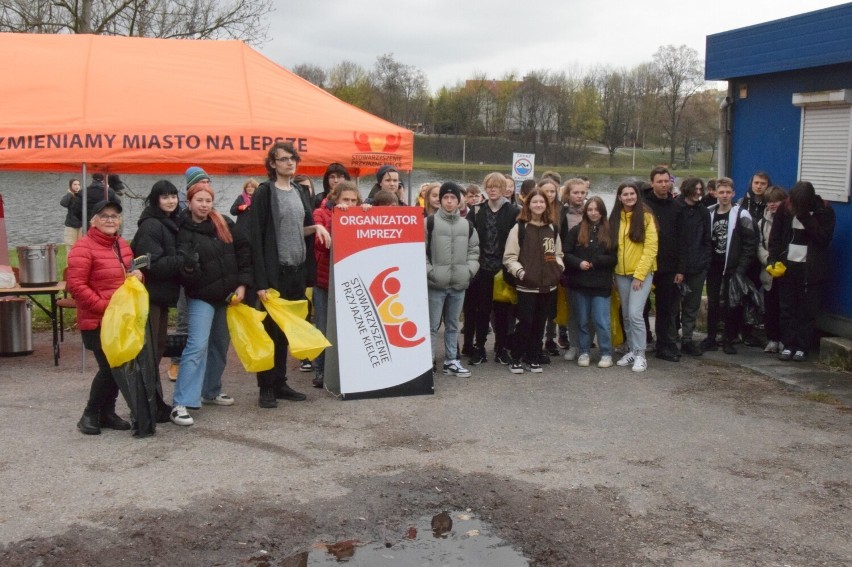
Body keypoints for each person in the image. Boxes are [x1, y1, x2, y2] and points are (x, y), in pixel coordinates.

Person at [248, 141, 331, 409]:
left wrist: (316, 227)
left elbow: (300, 228)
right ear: (273, 164)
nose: (289, 163)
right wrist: (260, 283)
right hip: (275, 274)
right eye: (283, 159)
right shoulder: (265, 193)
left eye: (292, 159)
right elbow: (256, 240)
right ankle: (266, 387)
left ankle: (280, 382)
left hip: (296, 271)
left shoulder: (297, 190)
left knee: (286, 331)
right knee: (270, 332)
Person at [170, 169, 252, 426]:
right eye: (199, 200)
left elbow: (243, 252)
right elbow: (182, 265)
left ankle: (211, 390)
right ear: (190, 201)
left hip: (227, 296)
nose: (204, 205)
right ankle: (181, 402)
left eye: (208, 201)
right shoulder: (182, 227)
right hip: (201, 297)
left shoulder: (224, 222)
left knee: (220, 344)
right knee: (197, 345)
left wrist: (242, 284)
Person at [67, 200, 140, 435]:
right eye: (104, 216)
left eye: (115, 216)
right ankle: (90, 413)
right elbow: (76, 285)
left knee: (117, 365)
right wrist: (102, 307)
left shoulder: (122, 244)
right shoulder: (83, 247)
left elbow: (128, 277)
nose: (110, 220)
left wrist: (138, 276)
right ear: (93, 221)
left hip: (120, 318)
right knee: (109, 367)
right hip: (97, 319)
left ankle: (107, 413)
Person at [131, 180, 184, 422]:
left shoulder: (170, 222)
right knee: (149, 351)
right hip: (149, 297)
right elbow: (149, 263)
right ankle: (144, 405)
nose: (171, 200)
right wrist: (181, 261)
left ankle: (154, 401)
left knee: (158, 346)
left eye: (173, 196)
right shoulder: (150, 226)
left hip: (161, 296)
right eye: (165, 197)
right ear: (155, 200)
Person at [768, 181, 835, 362]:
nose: (794, 208)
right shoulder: (785, 208)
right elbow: (775, 235)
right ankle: (788, 344)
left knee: (807, 310)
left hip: (811, 269)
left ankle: (803, 347)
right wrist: (773, 258)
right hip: (787, 266)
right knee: (787, 308)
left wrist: (806, 217)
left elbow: (823, 239)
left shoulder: (825, 211)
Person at [312, 180, 368, 388]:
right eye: (346, 199)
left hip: (350, 279)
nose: (350, 203)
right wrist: (337, 218)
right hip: (325, 280)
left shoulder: (359, 212)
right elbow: (321, 243)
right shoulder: (320, 214)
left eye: (354, 200)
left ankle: (348, 369)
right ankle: (320, 369)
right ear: (336, 199)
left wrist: (367, 213)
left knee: (350, 326)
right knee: (323, 327)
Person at [503, 188, 564, 374]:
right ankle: (516, 357)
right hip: (527, 286)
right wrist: (521, 273)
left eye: (542, 202)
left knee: (540, 323)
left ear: (547, 205)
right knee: (525, 322)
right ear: (528, 204)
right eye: (534, 202)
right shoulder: (519, 228)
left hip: (548, 285)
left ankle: (533, 355)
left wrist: (558, 268)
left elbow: (558, 253)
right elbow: (509, 257)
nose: (538, 205)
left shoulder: (552, 228)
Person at [426, 182, 480, 377]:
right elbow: (420, 250)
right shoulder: (429, 223)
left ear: (459, 201)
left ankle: (451, 360)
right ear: (440, 200)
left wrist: (469, 271)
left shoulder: (467, 225)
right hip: (435, 284)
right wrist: (430, 271)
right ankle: (428, 360)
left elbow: (474, 251)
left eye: (453, 198)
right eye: (446, 198)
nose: (449, 201)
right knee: (432, 326)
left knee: (453, 325)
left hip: (458, 284)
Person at [466, 172, 519, 366]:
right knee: (482, 310)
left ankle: (501, 348)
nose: (492, 190)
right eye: (489, 187)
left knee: (503, 311)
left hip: (503, 268)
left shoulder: (513, 211)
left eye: (496, 186)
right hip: (482, 268)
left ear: (504, 189)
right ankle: (479, 347)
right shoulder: (477, 210)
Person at [702, 177, 757, 355]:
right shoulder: (709, 212)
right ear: (716, 193)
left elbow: (750, 243)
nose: (724, 196)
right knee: (713, 301)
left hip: (733, 267)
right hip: (714, 266)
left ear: (733, 193)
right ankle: (710, 337)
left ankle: (728, 339)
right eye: (721, 192)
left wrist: (741, 268)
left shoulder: (741, 214)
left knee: (731, 304)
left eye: (728, 192)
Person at [563, 196, 616, 368]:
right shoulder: (577, 230)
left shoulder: (610, 231)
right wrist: (579, 263)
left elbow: (614, 257)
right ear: (586, 212)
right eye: (590, 209)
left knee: (601, 321)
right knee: (583, 320)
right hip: (580, 283)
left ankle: (606, 352)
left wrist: (598, 261)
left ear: (602, 212)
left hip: (601, 283)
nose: (593, 213)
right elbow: (566, 253)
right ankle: (584, 351)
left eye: (596, 210)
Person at [610, 182, 658, 372]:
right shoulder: (615, 218)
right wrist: (613, 273)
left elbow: (651, 248)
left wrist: (640, 275)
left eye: (632, 194)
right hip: (621, 274)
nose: (629, 197)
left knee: (636, 314)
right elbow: (613, 247)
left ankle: (640, 354)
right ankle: (631, 349)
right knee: (626, 315)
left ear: (637, 195)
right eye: (625, 194)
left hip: (641, 274)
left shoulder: (646, 216)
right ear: (619, 197)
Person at [644, 166, 682, 362]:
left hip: (669, 265)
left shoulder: (677, 206)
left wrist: (680, 268)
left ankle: (664, 344)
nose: (664, 184)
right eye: (659, 181)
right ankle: (640, 342)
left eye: (666, 181)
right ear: (652, 183)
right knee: (641, 306)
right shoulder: (642, 204)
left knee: (665, 307)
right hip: (645, 263)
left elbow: (683, 238)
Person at [675, 177, 712, 357]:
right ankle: (671, 338)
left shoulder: (703, 212)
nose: (698, 192)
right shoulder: (676, 207)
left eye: (700, 189)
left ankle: (687, 339)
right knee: (673, 304)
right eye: (695, 189)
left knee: (692, 305)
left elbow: (707, 239)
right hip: (676, 266)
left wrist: (705, 261)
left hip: (697, 265)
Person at [558, 178, 588, 358]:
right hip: (570, 264)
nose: (579, 196)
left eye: (582, 192)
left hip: (590, 265)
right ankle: (574, 344)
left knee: (588, 309)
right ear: (568, 194)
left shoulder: (592, 211)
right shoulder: (562, 214)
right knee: (572, 308)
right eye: (575, 192)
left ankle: (586, 345)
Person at [756, 186, 787, 354]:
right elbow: (758, 245)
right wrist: (768, 259)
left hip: (786, 271)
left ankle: (784, 339)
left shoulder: (790, 220)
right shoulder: (762, 223)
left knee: (785, 308)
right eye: (769, 202)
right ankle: (772, 339)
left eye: (776, 201)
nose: (772, 205)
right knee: (770, 307)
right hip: (769, 271)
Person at [537, 177, 562, 360]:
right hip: (537, 266)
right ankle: (536, 342)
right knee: (539, 306)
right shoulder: (535, 208)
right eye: (546, 191)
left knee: (553, 306)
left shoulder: (562, 211)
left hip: (556, 264)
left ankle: (551, 339)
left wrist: (559, 265)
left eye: (553, 191)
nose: (550, 195)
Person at [60, 178, 83, 247]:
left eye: (78, 184)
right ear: (70, 186)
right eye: (75, 184)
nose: (77, 186)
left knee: (81, 245)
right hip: (71, 224)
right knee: (71, 245)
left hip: (82, 224)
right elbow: (63, 203)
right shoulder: (69, 196)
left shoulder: (82, 195)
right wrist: (70, 194)